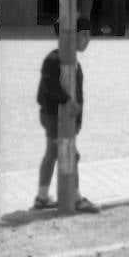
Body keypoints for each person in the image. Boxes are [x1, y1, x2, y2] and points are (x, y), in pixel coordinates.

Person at [33, 17, 101, 213]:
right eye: (83, 35)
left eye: (89, 35)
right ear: (71, 37)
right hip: (54, 117)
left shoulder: (73, 61)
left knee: (53, 153)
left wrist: (77, 118)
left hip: (63, 117)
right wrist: (67, 101)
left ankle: (42, 197)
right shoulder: (54, 59)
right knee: (71, 154)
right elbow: (50, 87)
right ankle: (76, 198)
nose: (87, 40)